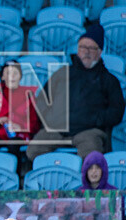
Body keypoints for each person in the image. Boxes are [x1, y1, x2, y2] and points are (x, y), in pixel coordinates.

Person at [27, 26, 125, 161]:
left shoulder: (109, 80)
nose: (86, 52)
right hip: (57, 130)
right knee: (33, 151)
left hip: (89, 131)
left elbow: (117, 111)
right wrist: (51, 120)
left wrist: (96, 119)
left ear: (100, 52)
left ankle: (82, 181)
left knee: (91, 157)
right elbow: (42, 99)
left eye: (92, 48)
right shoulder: (62, 73)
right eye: (83, 47)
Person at [0, 61, 40, 160]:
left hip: (21, 135)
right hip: (1, 133)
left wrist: (21, 127)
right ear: (2, 77)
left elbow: (35, 123)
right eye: (8, 73)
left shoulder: (28, 94)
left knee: (13, 145)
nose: (12, 76)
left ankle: (15, 175)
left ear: (20, 76)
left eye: (15, 73)